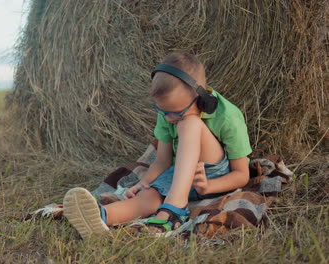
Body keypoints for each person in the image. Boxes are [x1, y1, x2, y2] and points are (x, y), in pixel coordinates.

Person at [63, 51, 252, 239]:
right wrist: (143, 183)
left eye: (177, 113)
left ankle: (176, 206)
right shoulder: (168, 112)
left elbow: (242, 175)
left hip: (213, 174)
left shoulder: (228, 115)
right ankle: (103, 217)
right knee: (149, 195)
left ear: (202, 98)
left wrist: (208, 186)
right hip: (178, 174)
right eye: (163, 112)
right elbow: (162, 162)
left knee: (190, 123)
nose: (169, 119)